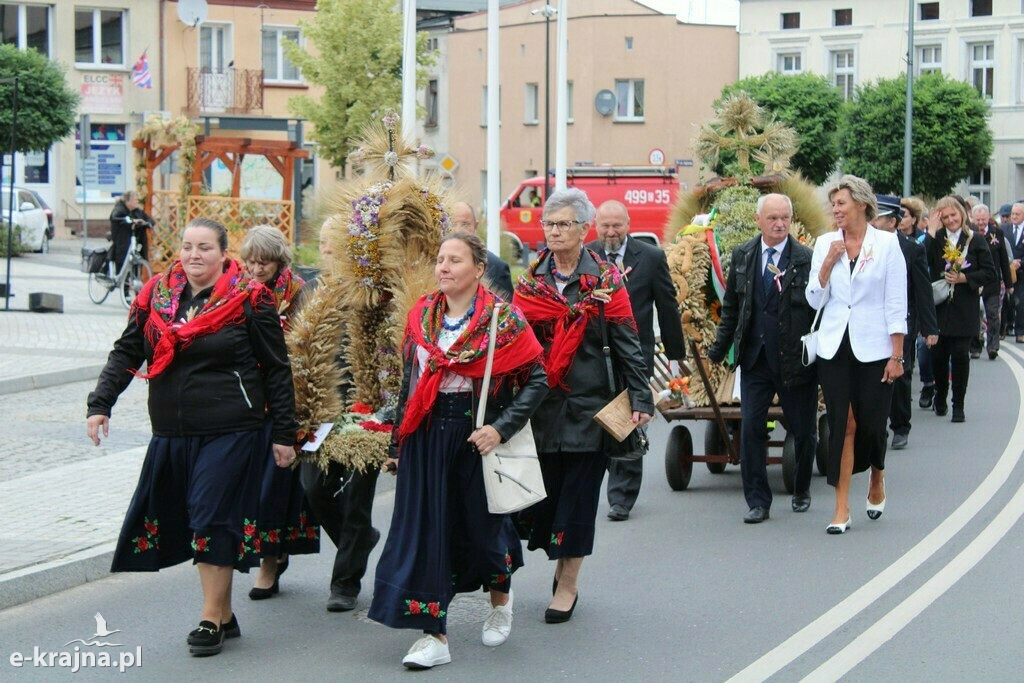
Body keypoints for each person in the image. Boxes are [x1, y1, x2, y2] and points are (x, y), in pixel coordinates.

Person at [86, 217, 297, 656]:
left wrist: (283, 433)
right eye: (187, 247)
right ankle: (222, 612)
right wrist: (100, 403)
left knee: (210, 516)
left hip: (231, 429)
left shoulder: (250, 299)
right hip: (171, 430)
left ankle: (208, 619)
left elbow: (277, 369)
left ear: (224, 254)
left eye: (204, 247)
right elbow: (127, 349)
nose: (194, 255)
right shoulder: (156, 296)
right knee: (188, 517)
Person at [369, 232, 548, 669]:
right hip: (426, 433)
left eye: (455, 260)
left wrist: (500, 429)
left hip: (475, 435)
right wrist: (397, 444)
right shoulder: (422, 317)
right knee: (426, 532)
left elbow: (538, 379)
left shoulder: (503, 320)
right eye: (440, 259)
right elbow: (409, 386)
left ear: (478, 269)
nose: (443, 267)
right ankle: (435, 636)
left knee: (485, 532)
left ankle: (501, 601)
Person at [513, 188, 652, 622]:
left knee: (578, 501)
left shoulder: (606, 281)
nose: (554, 231)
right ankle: (560, 563)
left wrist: (641, 397)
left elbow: (628, 341)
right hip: (540, 410)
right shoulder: (530, 283)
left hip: (591, 408)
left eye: (563, 224)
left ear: (583, 230)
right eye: (548, 224)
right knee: (545, 502)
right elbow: (513, 348)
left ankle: (567, 585)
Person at [707, 193, 818, 521]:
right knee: (752, 427)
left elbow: (820, 309)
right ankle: (757, 500)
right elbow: (732, 308)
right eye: (772, 218)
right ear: (759, 220)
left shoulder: (805, 258)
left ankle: (800, 488)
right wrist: (718, 349)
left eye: (785, 217)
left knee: (803, 430)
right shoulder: (744, 255)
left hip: (794, 360)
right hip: (755, 360)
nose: (780, 223)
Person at [806, 175, 907, 535]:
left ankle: (877, 476)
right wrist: (827, 264)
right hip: (835, 346)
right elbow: (813, 300)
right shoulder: (825, 244)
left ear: (862, 205)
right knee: (843, 424)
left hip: (876, 346)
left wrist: (897, 355)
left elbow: (896, 301)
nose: (835, 209)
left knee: (873, 423)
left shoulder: (888, 244)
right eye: (833, 204)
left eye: (841, 203)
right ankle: (841, 508)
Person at [295, 224, 383, 613]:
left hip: (367, 406)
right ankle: (359, 540)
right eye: (325, 244)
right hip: (321, 408)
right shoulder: (313, 291)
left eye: (335, 244)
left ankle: (345, 582)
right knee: (314, 488)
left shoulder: (376, 292)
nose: (328, 251)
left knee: (358, 497)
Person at [587, 200, 685, 522]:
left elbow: (667, 308)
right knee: (595, 421)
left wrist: (675, 357)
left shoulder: (651, 257)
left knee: (628, 421)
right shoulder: (586, 256)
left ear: (629, 224)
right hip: (592, 354)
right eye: (605, 226)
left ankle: (621, 497)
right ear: (596, 226)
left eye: (617, 225)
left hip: (635, 356)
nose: (611, 232)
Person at [238, 225, 319, 601]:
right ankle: (267, 550)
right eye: (250, 262)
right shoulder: (235, 289)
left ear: (279, 262)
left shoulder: (298, 293)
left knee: (275, 486)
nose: (255, 270)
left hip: (285, 399)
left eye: (263, 263)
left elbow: (308, 346)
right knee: (249, 487)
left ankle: (270, 561)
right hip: (243, 402)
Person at [871, 195, 938, 451]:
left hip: (902, 321)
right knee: (873, 377)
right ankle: (877, 429)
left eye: (879, 218)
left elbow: (923, 290)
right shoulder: (863, 246)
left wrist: (930, 328)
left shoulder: (911, 248)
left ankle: (900, 425)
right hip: (872, 323)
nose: (873, 223)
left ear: (893, 222)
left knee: (900, 375)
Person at [926, 196, 997, 422]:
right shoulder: (936, 239)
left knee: (960, 357)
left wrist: (965, 277)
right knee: (937, 357)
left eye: (953, 215)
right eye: (945, 217)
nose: (950, 220)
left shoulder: (974, 240)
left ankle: (959, 405)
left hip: (964, 309)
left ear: (962, 214)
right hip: (939, 309)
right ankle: (940, 395)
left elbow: (989, 272)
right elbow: (922, 260)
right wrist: (930, 230)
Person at [969, 203, 1013, 360]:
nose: (981, 223)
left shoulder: (997, 234)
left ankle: (993, 346)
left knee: (993, 315)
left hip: (992, 282)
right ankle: (975, 346)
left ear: (988, 218)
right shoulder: (969, 234)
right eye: (978, 220)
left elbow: (1003, 261)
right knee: (974, 315)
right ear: (973, 219)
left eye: (983, 219)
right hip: (973, 282)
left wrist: (1009, 285)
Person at [449, 201, 514, 297]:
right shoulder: (434, 265)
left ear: (475, 226)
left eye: (465, 224)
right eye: (453, 224)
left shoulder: (496, 267)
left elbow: (508, 309)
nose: (458, 230)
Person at [109, 191, 153, 270]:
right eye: (135, 200)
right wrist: (132, 221)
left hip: (137, 242)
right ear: (128, 201)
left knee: (136, 262)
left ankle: (134, 278)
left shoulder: (138, 211)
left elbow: (150, 220)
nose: (137, 202)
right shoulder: (120, 208)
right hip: (122, 243)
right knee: (122, 264)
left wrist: (147, 223)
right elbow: (114, 217)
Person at [1005, 204, 1024, 343]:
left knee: (1021, 302)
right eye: (1013, 213)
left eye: (1018, 214)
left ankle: (1020, 332)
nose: (1014, 216)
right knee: (1006, 302)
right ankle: (1004, 328)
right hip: (1007, 270)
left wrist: (1020, 263)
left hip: (1022, 271)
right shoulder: (1004, 229)